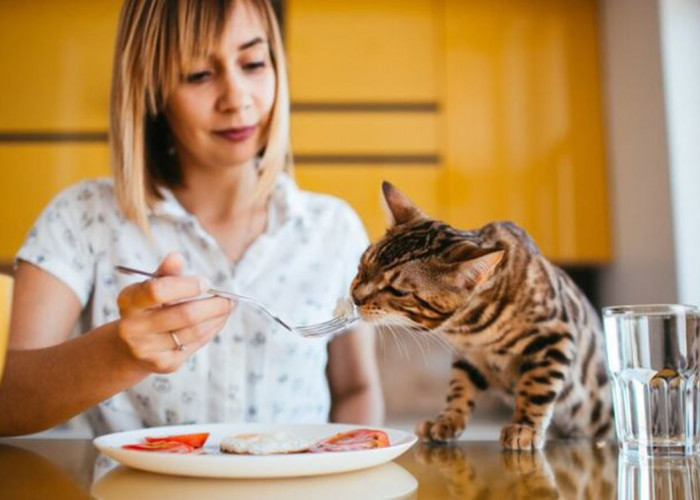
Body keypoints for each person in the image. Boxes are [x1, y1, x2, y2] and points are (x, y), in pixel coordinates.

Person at [0, 0, 383, 436]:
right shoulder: (81, 218)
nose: (237, 99)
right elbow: (6, 399)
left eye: (254, 63)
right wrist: (122, 354)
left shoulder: (333, 228)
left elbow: (355, 388)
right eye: (199, 74)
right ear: (151, 88)